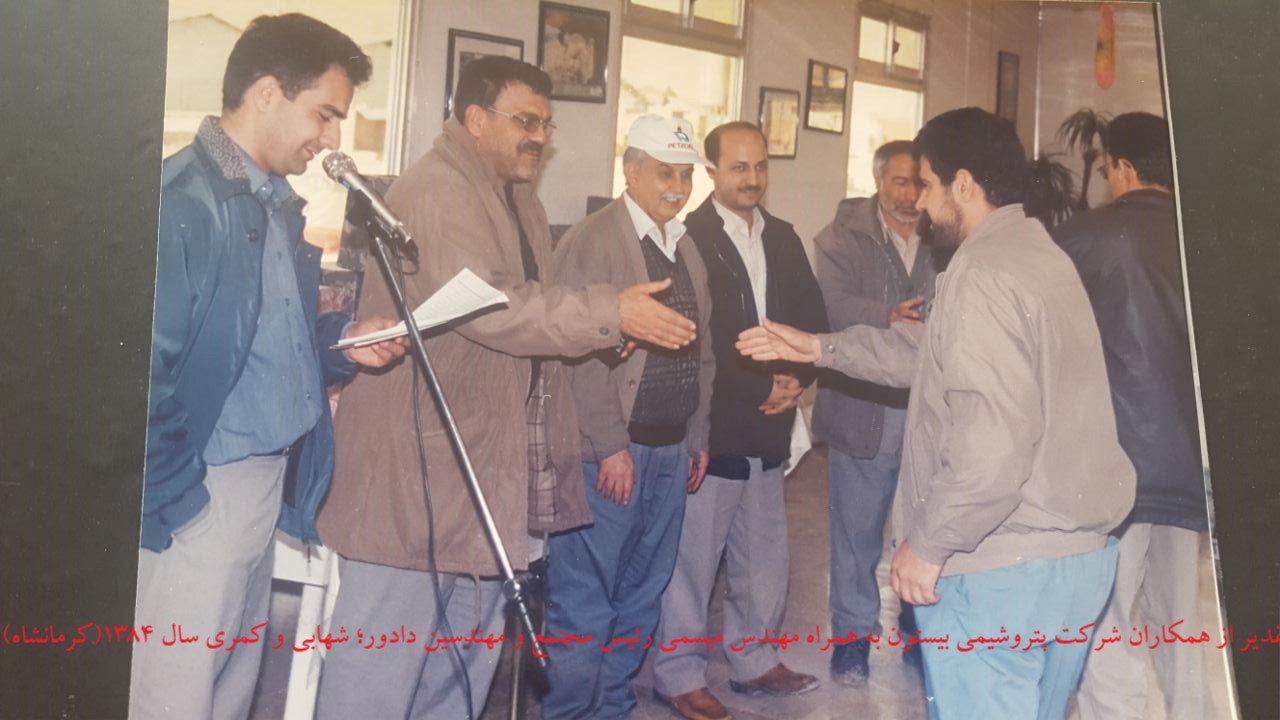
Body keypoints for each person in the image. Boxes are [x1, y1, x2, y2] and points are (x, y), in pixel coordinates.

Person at [314, 61, 698, 719]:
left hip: (484, 469)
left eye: (546, 124)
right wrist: (609, 312)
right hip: (418, 473)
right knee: (380, 674)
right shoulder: (440, 189)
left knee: (458, 675)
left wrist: (605, 334)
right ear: (475, 118)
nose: (540, 137)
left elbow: (528, 313)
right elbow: (490, 310)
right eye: (526, 121)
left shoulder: (516, 197)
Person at [736, 107, 1136, 719]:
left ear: (964, 185)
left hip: (1003, 566)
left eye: (927, 184)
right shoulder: (1040, 254)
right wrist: (820, 347)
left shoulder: (980, 272)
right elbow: (932, 353)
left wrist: (929, 544)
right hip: (1075, 562)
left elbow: (994, 445)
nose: (918, 202)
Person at [131, 14, 409, 719]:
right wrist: (185, 511)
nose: (332, 139)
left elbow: (262, 337)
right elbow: (136, 379)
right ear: (264, 94)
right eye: (325, 113)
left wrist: (342, 339)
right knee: (172, 699)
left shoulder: (273, 203)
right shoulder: (180, 202)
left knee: (228, 695)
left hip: (258, 493)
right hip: (202, 497)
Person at [650, 121, 826, 720]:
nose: (753, 179)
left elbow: (812, 319)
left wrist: (794, 379)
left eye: (761, 166)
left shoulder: (783, 236)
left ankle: (755, 661)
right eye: (739, 167)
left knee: (764, 553)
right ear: (712, 172)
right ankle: (677, 675)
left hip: (773, 420)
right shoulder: (689, 238)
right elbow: (695, 337)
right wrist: (762, 383)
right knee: (694, 559)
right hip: (716, 423)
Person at [543, 114, 715, 720]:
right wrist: (609, 445)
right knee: (586, 600)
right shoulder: (592, 241)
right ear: (631, 171)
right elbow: (579, 358)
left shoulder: (683, 244)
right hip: (610, 455)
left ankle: (612, 708)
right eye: (665, 173)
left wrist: (697, 435)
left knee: (642, 594)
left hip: (669, 450)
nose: (677, 187)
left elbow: (703, 350)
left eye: (686, 175)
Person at [1054, 112, 1209, 720]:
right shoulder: (1208, 235)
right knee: (1181, 622)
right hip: (1190, 470)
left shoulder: (1083, 237)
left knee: (1108, 621)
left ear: (1121, 167)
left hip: (1114, 466)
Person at [811, 139, 934, 686]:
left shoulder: (945, 234)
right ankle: (852, 640)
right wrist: (887, 315)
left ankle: (918, 633)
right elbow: (829, 306)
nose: (910, 196)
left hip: (927, 412)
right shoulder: (840, 237)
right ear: (878, 180)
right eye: (900, 183)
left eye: (919, 183)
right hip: (862, 410)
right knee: (856, 536)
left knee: (924, 531)